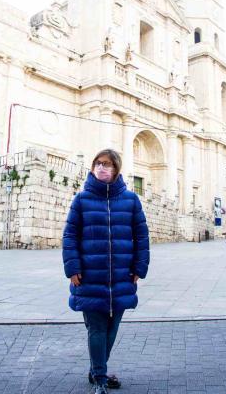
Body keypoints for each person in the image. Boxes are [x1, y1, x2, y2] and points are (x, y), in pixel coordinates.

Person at [62, 149, 150, 394]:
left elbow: (142, 236)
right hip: (89, 276)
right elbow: (70, 235)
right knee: (98, 329)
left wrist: (139, 267)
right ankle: (99, 377)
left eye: (107, 164)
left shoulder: (131, 200)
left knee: (112, 329)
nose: (102, 168)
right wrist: (72, 267)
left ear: (116, 170)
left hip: (121, 276)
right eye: (98, 163)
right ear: (92, 167)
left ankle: (95, 369)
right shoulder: (81, 200)